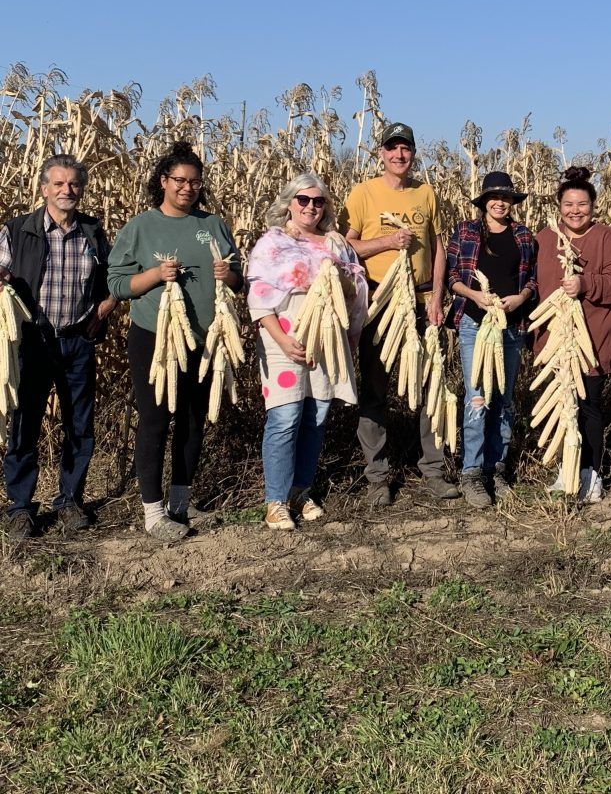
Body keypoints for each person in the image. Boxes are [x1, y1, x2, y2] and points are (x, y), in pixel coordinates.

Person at [107, 141, 242, 541]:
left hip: (205, 339)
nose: (187, 188)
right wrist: (155, 275)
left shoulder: (212, 225)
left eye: (195, 181)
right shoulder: (141, 227)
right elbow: (117, 284)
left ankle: (180, 504)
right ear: (163, 181)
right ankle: (153, 512)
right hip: (155, 339)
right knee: (154, 420)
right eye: (179, 180)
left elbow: (240, 279)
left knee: (192, 421)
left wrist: (229, 276)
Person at [0, 154, 118, 541]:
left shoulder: (93, 231)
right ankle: (20, 508)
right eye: (59, 184)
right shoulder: (18, 230)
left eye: (74, 184)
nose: (67, 190)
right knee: (24, 425)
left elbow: (113, 277)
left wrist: (107, 304)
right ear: (44, 188)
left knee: (79, 427)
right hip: (33, 341)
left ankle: (69, 501)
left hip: (77, 340)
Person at [340, 122, 454, 506]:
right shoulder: (363, 193)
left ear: (413, 153)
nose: (399, 155)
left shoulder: (426, 193)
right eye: (392, 148)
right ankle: (377, 477)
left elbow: (439, 248)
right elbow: (347, 247)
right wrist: (388, 241)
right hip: (380, 302)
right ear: (381, 153)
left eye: (405, 148)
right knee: (376, 389)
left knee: (430, 385)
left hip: (421, 302)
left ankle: (433, 470)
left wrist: (437, 297)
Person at [247, 173, 369, 530]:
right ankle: (275, 501)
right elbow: (258, 297)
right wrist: (283, 340)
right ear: (289, 203)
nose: (311, 207)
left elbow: (354, 290)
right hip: (284, 336)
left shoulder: (335, 244)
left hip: (326, 338)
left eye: (318, 201)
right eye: (303, 199)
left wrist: (338, 281)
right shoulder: (272, 242)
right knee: (285, 417)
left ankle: (300, 491)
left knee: (316, 418)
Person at [534, 166, 611, 502]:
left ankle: (591, 474)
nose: (575, 211)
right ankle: (567, 470)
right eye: (568, 204)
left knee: (588, 406)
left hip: (591, 340)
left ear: (593, 206)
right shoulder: (544, 239)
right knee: (561, 404)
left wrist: (586, 283)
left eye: (582, 204)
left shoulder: (607, 238)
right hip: (554, 340)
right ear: (559, 206)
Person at [446, 171, 537, 508]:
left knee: (503, 399)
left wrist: (520, 297)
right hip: (474, 324)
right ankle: (471, 472)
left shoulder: (523, 235)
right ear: (484, 201)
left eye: (506, 197)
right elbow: (452, 276)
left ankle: (495, 469)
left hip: (510, 327)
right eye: (494, 197)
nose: (500, 203)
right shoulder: (465, 231)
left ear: (512, 202)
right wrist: (475, 295)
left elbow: (534, 280)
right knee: (477, 398)